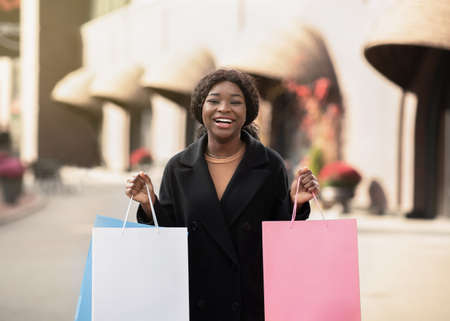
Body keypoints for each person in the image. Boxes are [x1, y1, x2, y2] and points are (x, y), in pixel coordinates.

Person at [125, 69, 319, 321]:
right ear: (200, 108)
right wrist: (149, 204)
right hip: (194, 302)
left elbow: (279, 239)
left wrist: (296, 203)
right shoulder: (178, 167)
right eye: (214, 100)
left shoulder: (270, 164)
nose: (224, 108)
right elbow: (169, 239)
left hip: (250, 302)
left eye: (235, 102)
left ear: (247, 112)